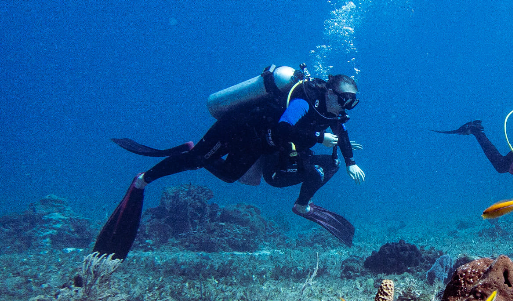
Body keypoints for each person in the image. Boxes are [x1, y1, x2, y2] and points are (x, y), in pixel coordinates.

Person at [94, 70, 365, 259]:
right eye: (343, 99)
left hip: (257, 142)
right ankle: (144, 179)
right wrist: (318, 136)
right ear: (329, 91)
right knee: (196, 160)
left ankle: (193, 151)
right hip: (237, 128)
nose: (345, 107)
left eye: (350, 103)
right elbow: (284, 127)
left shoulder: (332, 112)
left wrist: (350, 161)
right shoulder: (305, 100)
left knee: (228, 175)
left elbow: (341, 134)